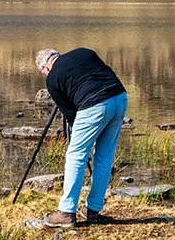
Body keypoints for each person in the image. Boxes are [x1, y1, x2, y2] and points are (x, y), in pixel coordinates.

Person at [35, 47, 127, 228]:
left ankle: (66, 212)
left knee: (76, 155)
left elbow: (71, 116)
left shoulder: (53, 79)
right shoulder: (84, 52)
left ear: (45, 68)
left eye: (43, 73)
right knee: (104, 157)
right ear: (57, 55)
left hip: (94, 104)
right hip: (119, 97)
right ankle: (93, 210)